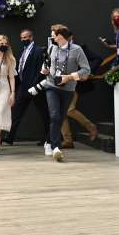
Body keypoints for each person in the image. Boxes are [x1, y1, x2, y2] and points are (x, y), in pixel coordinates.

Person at [40, 24, 91, 163]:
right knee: (54, 115)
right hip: (51, 85)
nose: (51, 37)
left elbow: (86, 71)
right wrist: (44, 70)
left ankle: (49, 141)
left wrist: (69, 77)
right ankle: (56, 148)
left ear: (60, 36)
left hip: (68, 89)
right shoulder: (52, 47)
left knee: (60, 117)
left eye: (53, 34)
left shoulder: (77, 50)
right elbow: (48, 65)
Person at [5, 28, 49, 146]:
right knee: (16, 112)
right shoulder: (24, 51)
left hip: (36, 89)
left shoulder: (38, 51)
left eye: (25, 37)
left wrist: (36, 86)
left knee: (44, 113)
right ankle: (10, 137)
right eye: (22, 38)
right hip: (23, 87)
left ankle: (48, 138)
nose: (23, 40)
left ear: (31, 37)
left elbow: (41, 70)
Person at [60, 34, 101, 149]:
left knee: (69, 110)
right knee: (60, 112)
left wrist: (88, 72)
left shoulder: (80, 48)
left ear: (71, 37)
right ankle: (68, 140)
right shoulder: (58, 49)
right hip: (63, 84)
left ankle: (90, 127)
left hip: (76, 84)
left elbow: (98, 58)